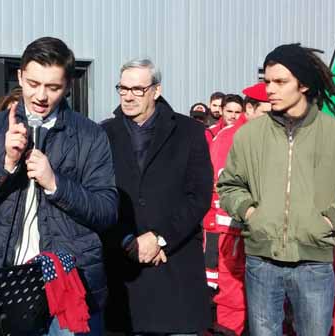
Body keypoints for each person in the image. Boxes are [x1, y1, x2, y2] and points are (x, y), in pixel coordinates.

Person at [0, 36, 118, 335]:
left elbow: (107, 211)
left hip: (69, 283)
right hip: (7, 281)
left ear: (68, 85)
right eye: (33, 84)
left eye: (53, 87)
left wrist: (55, 183)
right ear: (20, 75)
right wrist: (6, 164)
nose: (41, 96)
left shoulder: (90, 135)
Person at [218, 43, 335, 336]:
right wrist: (251, 213)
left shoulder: (334, 133)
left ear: (304, 84)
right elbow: (229, 185)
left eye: (280, 82)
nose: (270, 89)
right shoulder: (250, 134)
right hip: (262, 262)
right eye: (267, 81)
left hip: (315, 262)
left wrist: (328, 220)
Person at [101, 58, 212, 335]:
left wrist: (159, 237)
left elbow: (198, 195)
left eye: (137, 89)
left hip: (175, 263)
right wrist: (127, 240)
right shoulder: (104, 133)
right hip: (125, 270)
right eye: (123, 88)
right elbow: (100, 196)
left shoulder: (190, 132)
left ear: (156, 90)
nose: (128, 96)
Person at [204, 82, 270, 335]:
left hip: (261, 232)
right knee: (232, 297)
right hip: (231, 233)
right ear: (250, 109)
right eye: (267, 112)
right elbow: (219, 188)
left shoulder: (268, 136)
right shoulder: (230, 138)